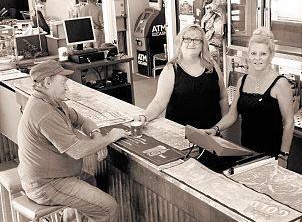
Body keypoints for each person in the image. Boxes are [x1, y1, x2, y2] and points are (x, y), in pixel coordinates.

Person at [17, 60, 129, 222]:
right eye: (63, 82)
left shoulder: (53, 103)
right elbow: (77, 151)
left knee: (90, 181)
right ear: (48, 82)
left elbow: (82, 121)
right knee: (107, 208)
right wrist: (110, 137)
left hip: (55, 177)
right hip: (46, 184)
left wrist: (97, 136)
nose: (67, 87)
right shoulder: (44, 112)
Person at [205, 27, 294, 168]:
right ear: (248, 55)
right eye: (253, 53)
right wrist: (215, 129)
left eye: (263, 54)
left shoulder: (280, 83)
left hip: (271, 155)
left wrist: (283, 156)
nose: (257, 58)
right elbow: (232, 114)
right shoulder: (243, 80)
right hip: (247, 151)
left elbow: (289, 123)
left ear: (271, 56)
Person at [136, 24, 228, 130]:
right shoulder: (171, 69)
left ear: (202, 44)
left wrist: (222, 126)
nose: (192, 43)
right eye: (187, 39)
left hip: (211, 132)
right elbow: (159, 102)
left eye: (197, 39)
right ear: (180, 42)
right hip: (181, 132)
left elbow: (223, 97)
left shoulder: (212, 66)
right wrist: (145, 116)